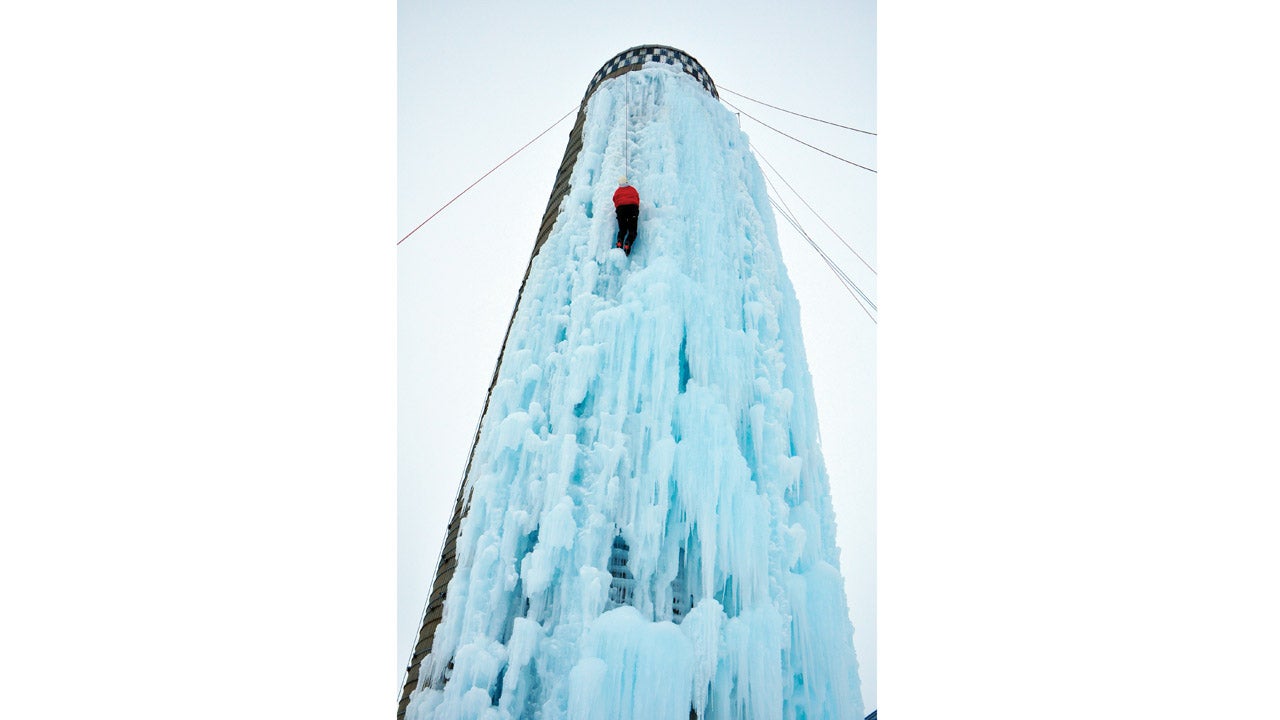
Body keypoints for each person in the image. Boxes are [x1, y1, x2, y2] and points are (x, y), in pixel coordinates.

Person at [613, 177, 639, 256]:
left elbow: (614, 200)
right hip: (632, 209)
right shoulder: (633, 189)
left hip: (621, 210)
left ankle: (620, 241)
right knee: (632, 230)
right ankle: (628, 243)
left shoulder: (617, 191)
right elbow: (637, 199)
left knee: (622, 229)